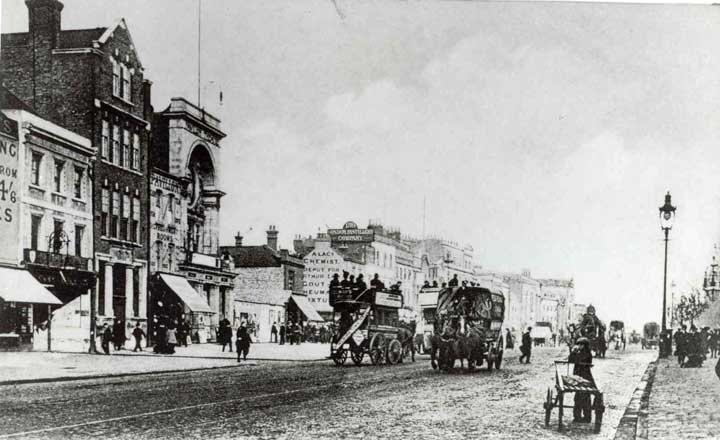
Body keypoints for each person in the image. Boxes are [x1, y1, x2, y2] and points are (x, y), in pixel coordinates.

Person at [569, 337, 595, 423]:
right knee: (577, 398)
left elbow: (579, 360)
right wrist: (573, 352)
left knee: (585, 398)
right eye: (578, 344)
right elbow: (571, 360)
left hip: (585, 378)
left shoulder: (587, 354)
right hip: (577, 377)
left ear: (585, 346)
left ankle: (587, 417)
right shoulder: (579, 353)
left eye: (581, 344)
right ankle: (577, 416)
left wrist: (575, 353)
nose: (579, 346)